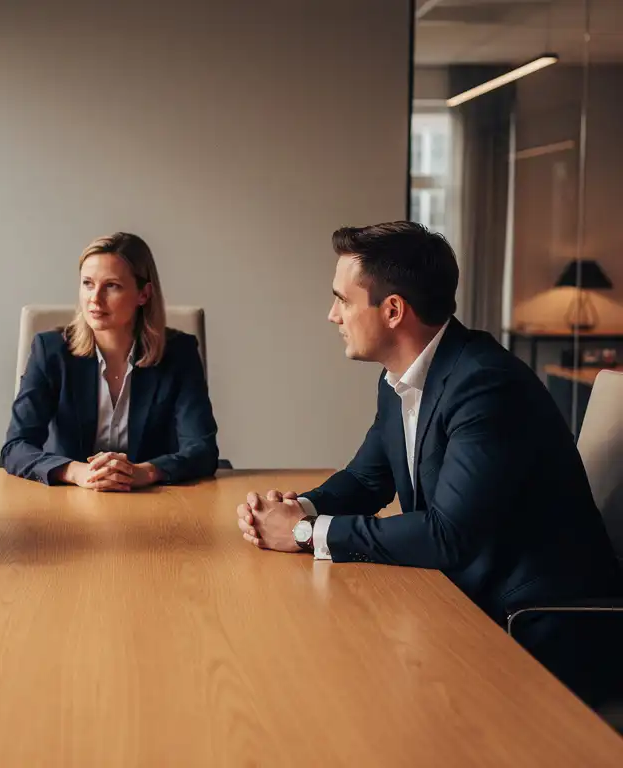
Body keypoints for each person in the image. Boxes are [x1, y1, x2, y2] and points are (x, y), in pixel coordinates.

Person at [235, 221, 622, 705]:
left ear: (393, 310)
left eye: (343, 299)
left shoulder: (484, 385)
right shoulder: (400, 377)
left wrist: (304, 534)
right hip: (465, 602)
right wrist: (295, 508)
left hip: (534, 628)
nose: (332, 315)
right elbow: (366, 479)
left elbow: (447, 536)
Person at [2, 232, 218, 490]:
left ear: (144, 294)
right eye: (88, 283)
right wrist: (76, 472)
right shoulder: (50, 350)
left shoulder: (179, 353)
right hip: (68, 498)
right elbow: (16, 446)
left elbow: (202, 449)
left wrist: (144, 472)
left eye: (112, 285)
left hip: (152, 499)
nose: (94, 298)